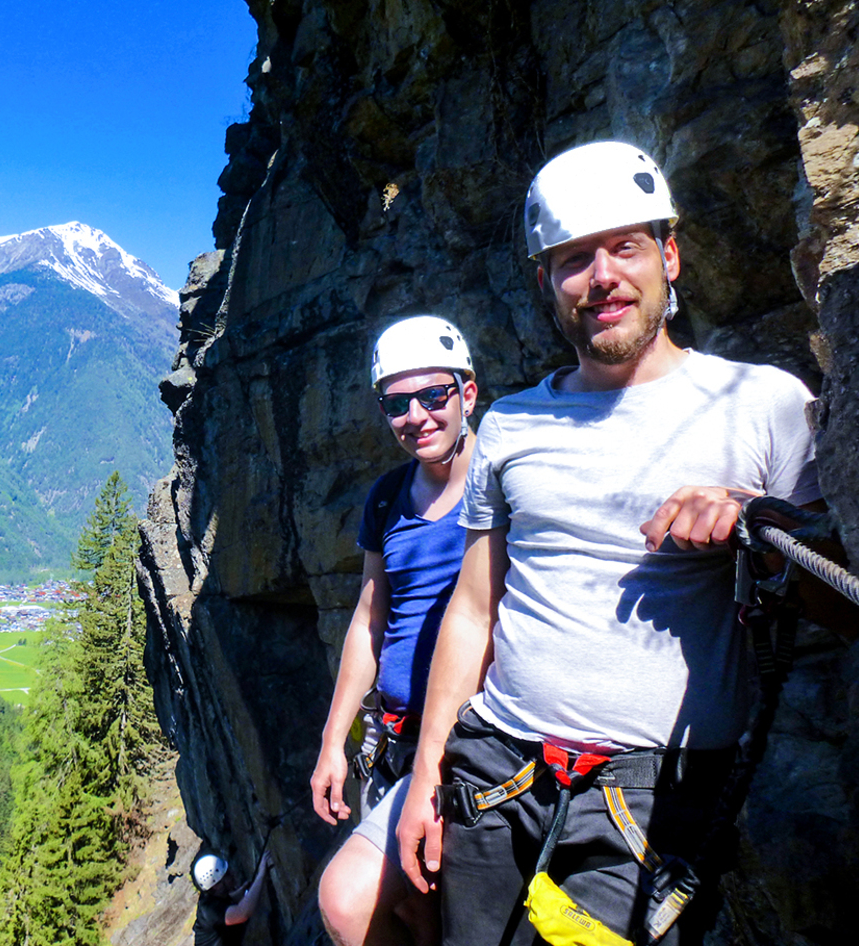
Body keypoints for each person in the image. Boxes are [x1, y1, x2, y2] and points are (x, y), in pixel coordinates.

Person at [395, 140, 842, 946]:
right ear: (546, 284)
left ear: (669, 255)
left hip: (651, 797)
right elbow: (473, 608)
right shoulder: (511, 423)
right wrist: (429, 772)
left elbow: (838, 599)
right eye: (573, 259)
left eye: (626, 247)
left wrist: (761, 522)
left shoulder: (766, 405)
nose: (601, 276)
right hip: (493, 772)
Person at [310, 315, 478, 946]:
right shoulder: (388, 498)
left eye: (433, 395)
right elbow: (369, 619)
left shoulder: (505, 486)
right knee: (416, 915)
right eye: (396, 403)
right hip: (394, 739)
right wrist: (334, 741)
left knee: (351, 902)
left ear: (467, 393)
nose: (416, 416)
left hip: (470, 746)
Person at [191, 849, 274, 946]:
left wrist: (237, 896)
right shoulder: (210, 910)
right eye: (227, 875)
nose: (232, 875)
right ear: (217, 885)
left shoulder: (212, 899)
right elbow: (243, 913)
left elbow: (224, 905)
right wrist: (261, 874)